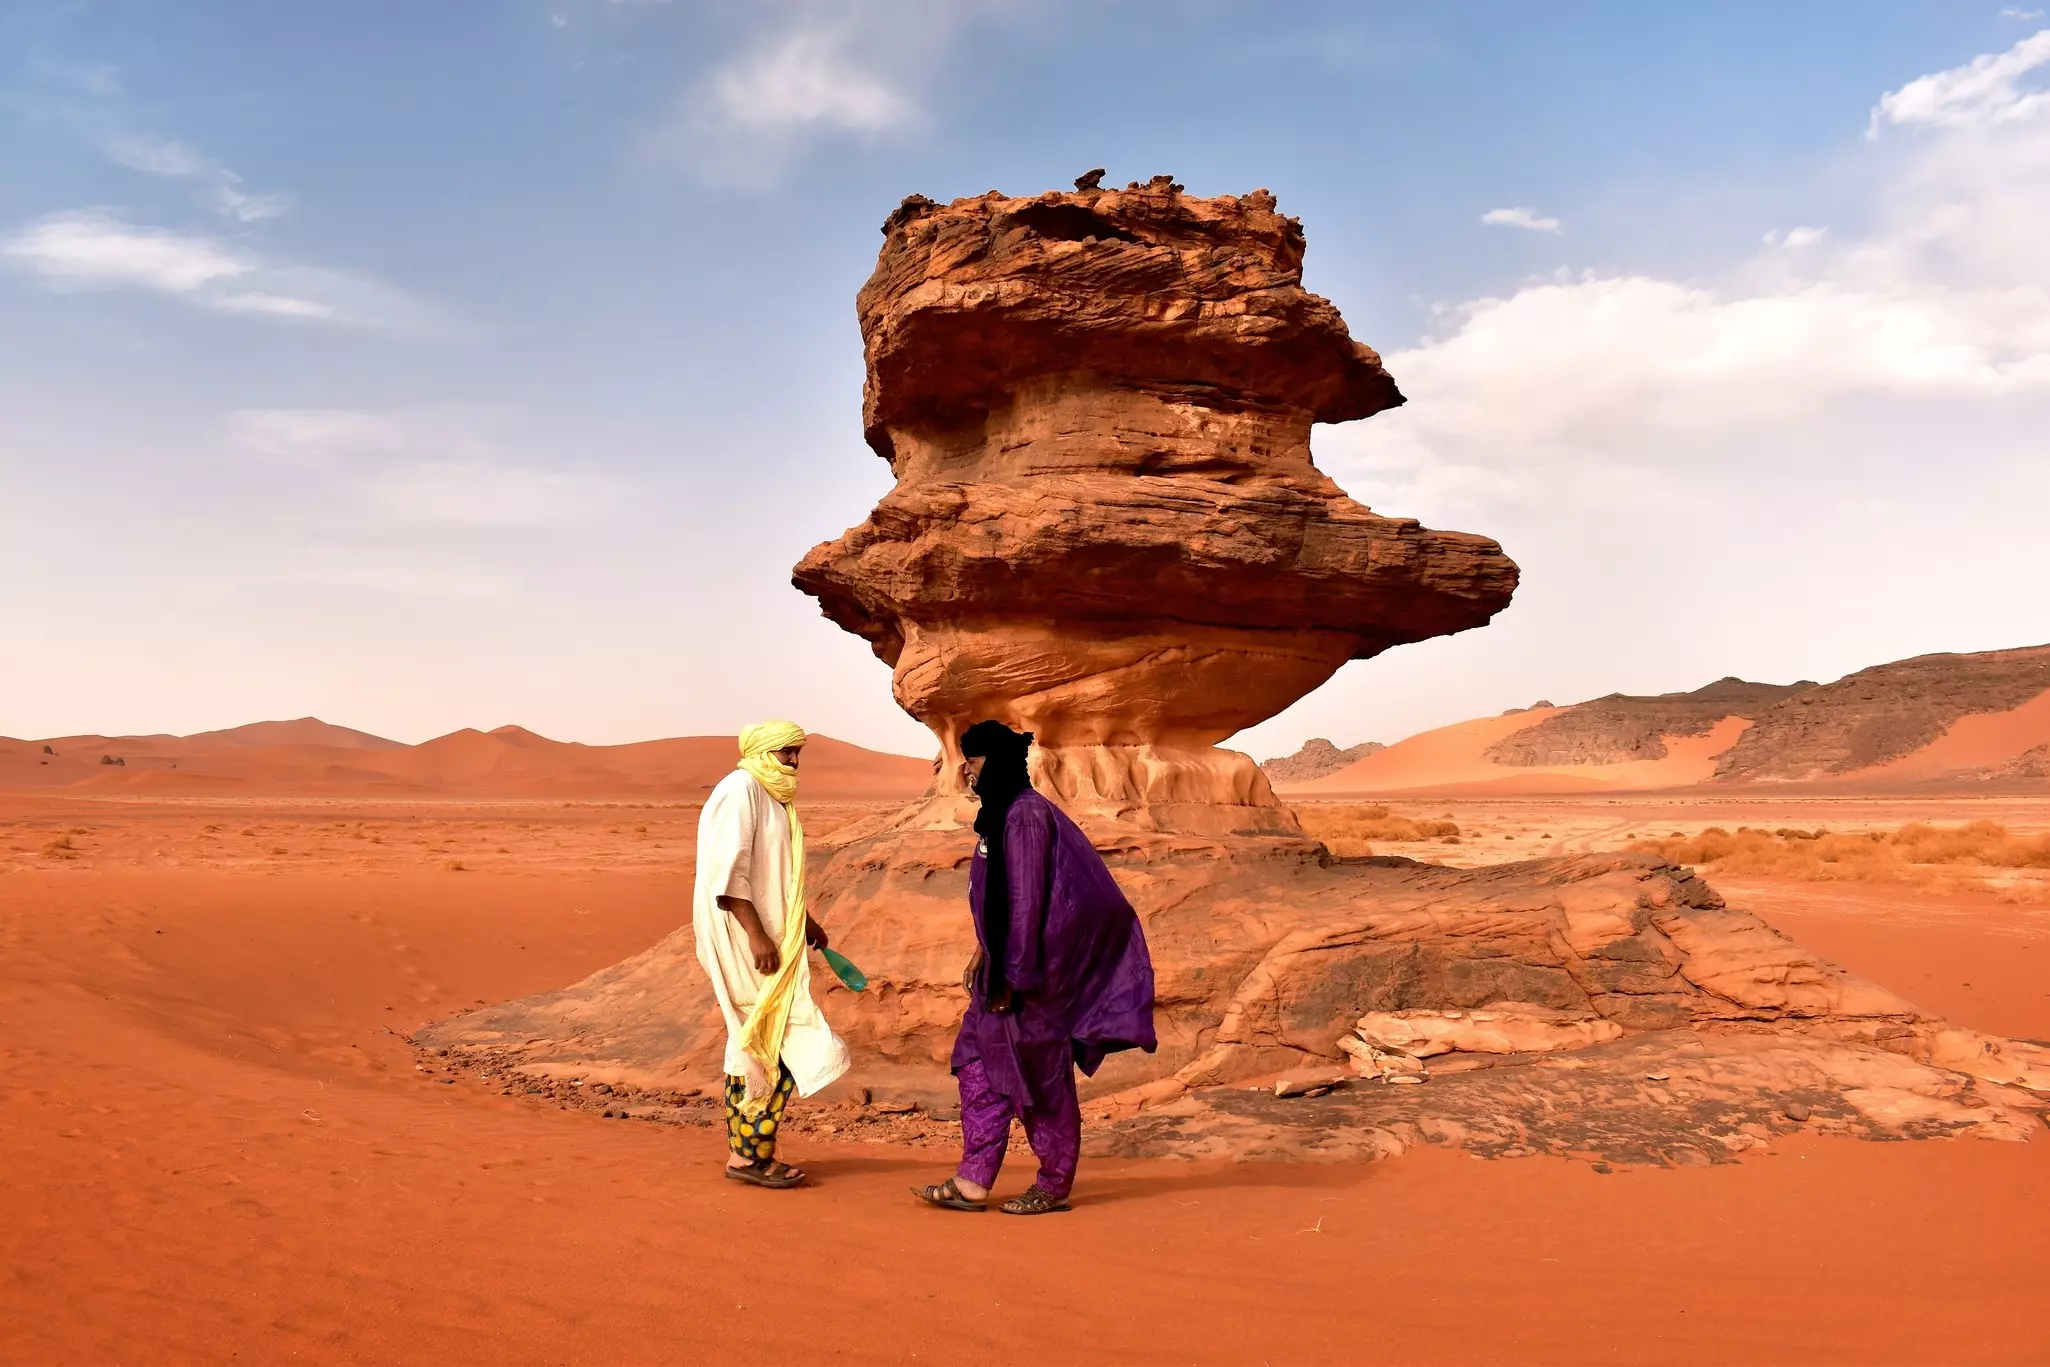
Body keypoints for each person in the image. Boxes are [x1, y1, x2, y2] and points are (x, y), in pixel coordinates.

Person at [913, 721, 1156, 1215]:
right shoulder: (999, 812)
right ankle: (973, 1181)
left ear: (996, 762)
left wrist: (1013, 975)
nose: (966, 771)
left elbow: (1027, 901)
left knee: (1040, 1078)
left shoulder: (1025, 815)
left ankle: (1054, 1184)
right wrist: (984, 952)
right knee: (978, 1066)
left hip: (1030, 978)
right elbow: (998, 899)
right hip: (1002, 967)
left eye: (973, 762)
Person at [693, 720, 850, 1188]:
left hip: (771, 929)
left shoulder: (772, 796)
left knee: (767, 1033)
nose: (795, 761)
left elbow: (777, 874)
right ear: (763, 752)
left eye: (798, 752)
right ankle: (747, 1157)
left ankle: (749, 1153)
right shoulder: (740, 790)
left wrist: (804, 920)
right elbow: (730, 874)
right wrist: (757, 934)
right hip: (744, 933)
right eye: (787, 752)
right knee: (763, 1032)